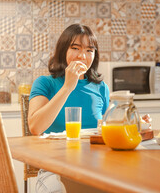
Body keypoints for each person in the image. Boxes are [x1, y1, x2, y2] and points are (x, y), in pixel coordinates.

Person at [28, 23, 110, 193]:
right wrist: (67, 87)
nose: (82, 56)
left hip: (95, 168)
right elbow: (35, 127)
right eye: (75, 48)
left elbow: (106, 131)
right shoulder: (45, 83)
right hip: (54, 169)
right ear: (63, 50)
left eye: (89, 50)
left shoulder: (101, 88)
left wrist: (132, 122)